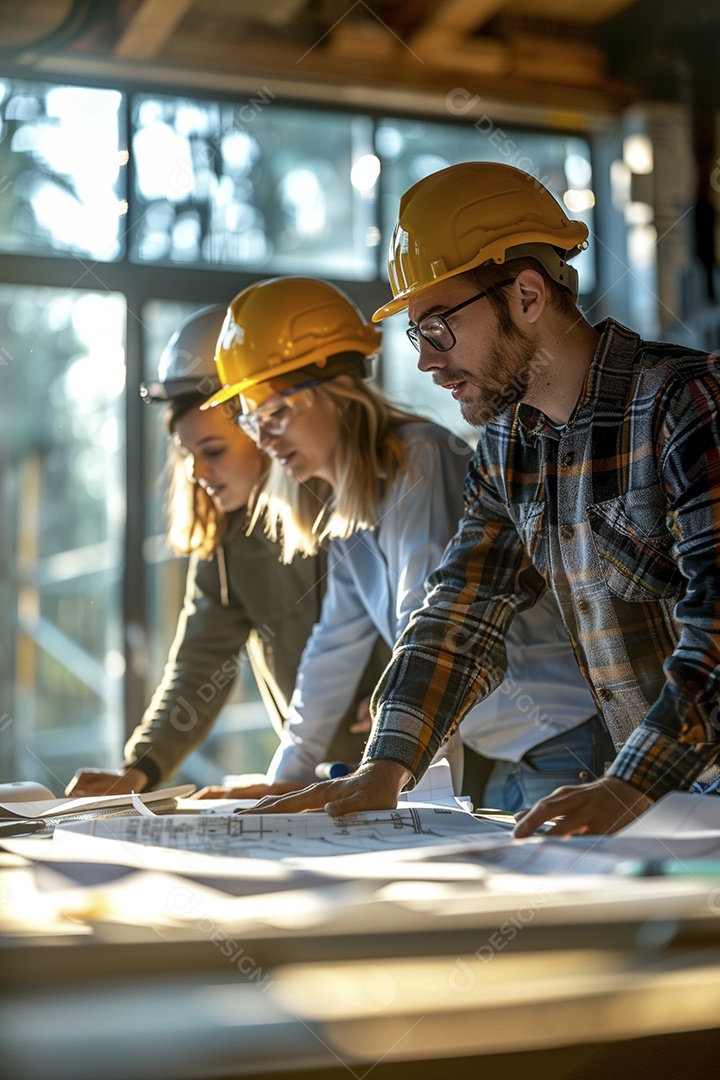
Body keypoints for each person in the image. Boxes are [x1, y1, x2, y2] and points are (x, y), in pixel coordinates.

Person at [246, 161, 720, 836]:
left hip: (675, 792)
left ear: (527, 296)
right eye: (417, 336)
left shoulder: (688, 405)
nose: (425, 361)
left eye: (437, 328)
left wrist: (628, 787)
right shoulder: (508, 449)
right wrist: (386, 766)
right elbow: (459, 613)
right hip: (668, 812)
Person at [203, 275, 609, 807]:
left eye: (276, 413)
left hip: (560, 741)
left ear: (339, 392)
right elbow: (335, 643)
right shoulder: (348, 504)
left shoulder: (419, 458)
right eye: (254, 422)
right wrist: (288, 770)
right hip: (505, 753)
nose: (267, 438)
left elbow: (428, 615)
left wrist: (389, 753)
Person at [66, 305, 388, 799]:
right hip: (316, 775)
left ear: (263, 423)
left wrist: (407, 698)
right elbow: (200, 662)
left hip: (424, 764)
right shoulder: (226, 539)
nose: (197, 472)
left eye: (213, 451)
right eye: (187, 454)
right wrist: (140, 771)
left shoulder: (362, 496)